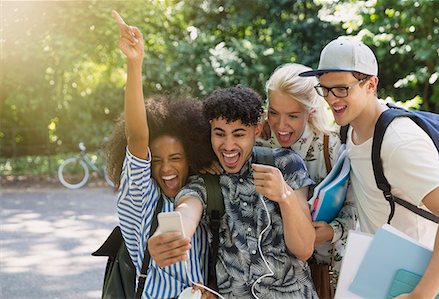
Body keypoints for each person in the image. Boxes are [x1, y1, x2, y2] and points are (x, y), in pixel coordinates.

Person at [300, 37, 439, 298]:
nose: (331, 99)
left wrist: (421, 294)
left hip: (416, 281)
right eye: (325, 89)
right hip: (378, 276)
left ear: (371, 84)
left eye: (342, 89)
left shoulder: (399, 142)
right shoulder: (349, 129)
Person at [149, 85, 318, 298]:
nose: (228, 145)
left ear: (256, 130)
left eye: (239, 134)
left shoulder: (286, 164)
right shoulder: (206, 179)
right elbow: (187, 209)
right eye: (219, 134)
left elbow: (303, 249)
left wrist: (285, 196)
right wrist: (168, 235)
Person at [107, 11, 215, 298]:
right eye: (156, 160)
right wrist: (134, 63)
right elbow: (138, 137)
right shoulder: (142, 200)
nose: (166, 168)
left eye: (176, 158)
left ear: (191, 157)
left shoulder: (203, 194)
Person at [260, 63, 357, 291]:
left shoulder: (332, 147)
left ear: (311, 110)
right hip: (276, 276)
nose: (281, 125)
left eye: (292, 116)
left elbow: (356, 208)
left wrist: (331, 231)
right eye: (273, 113)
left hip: (324, 270)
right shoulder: (260, 145)